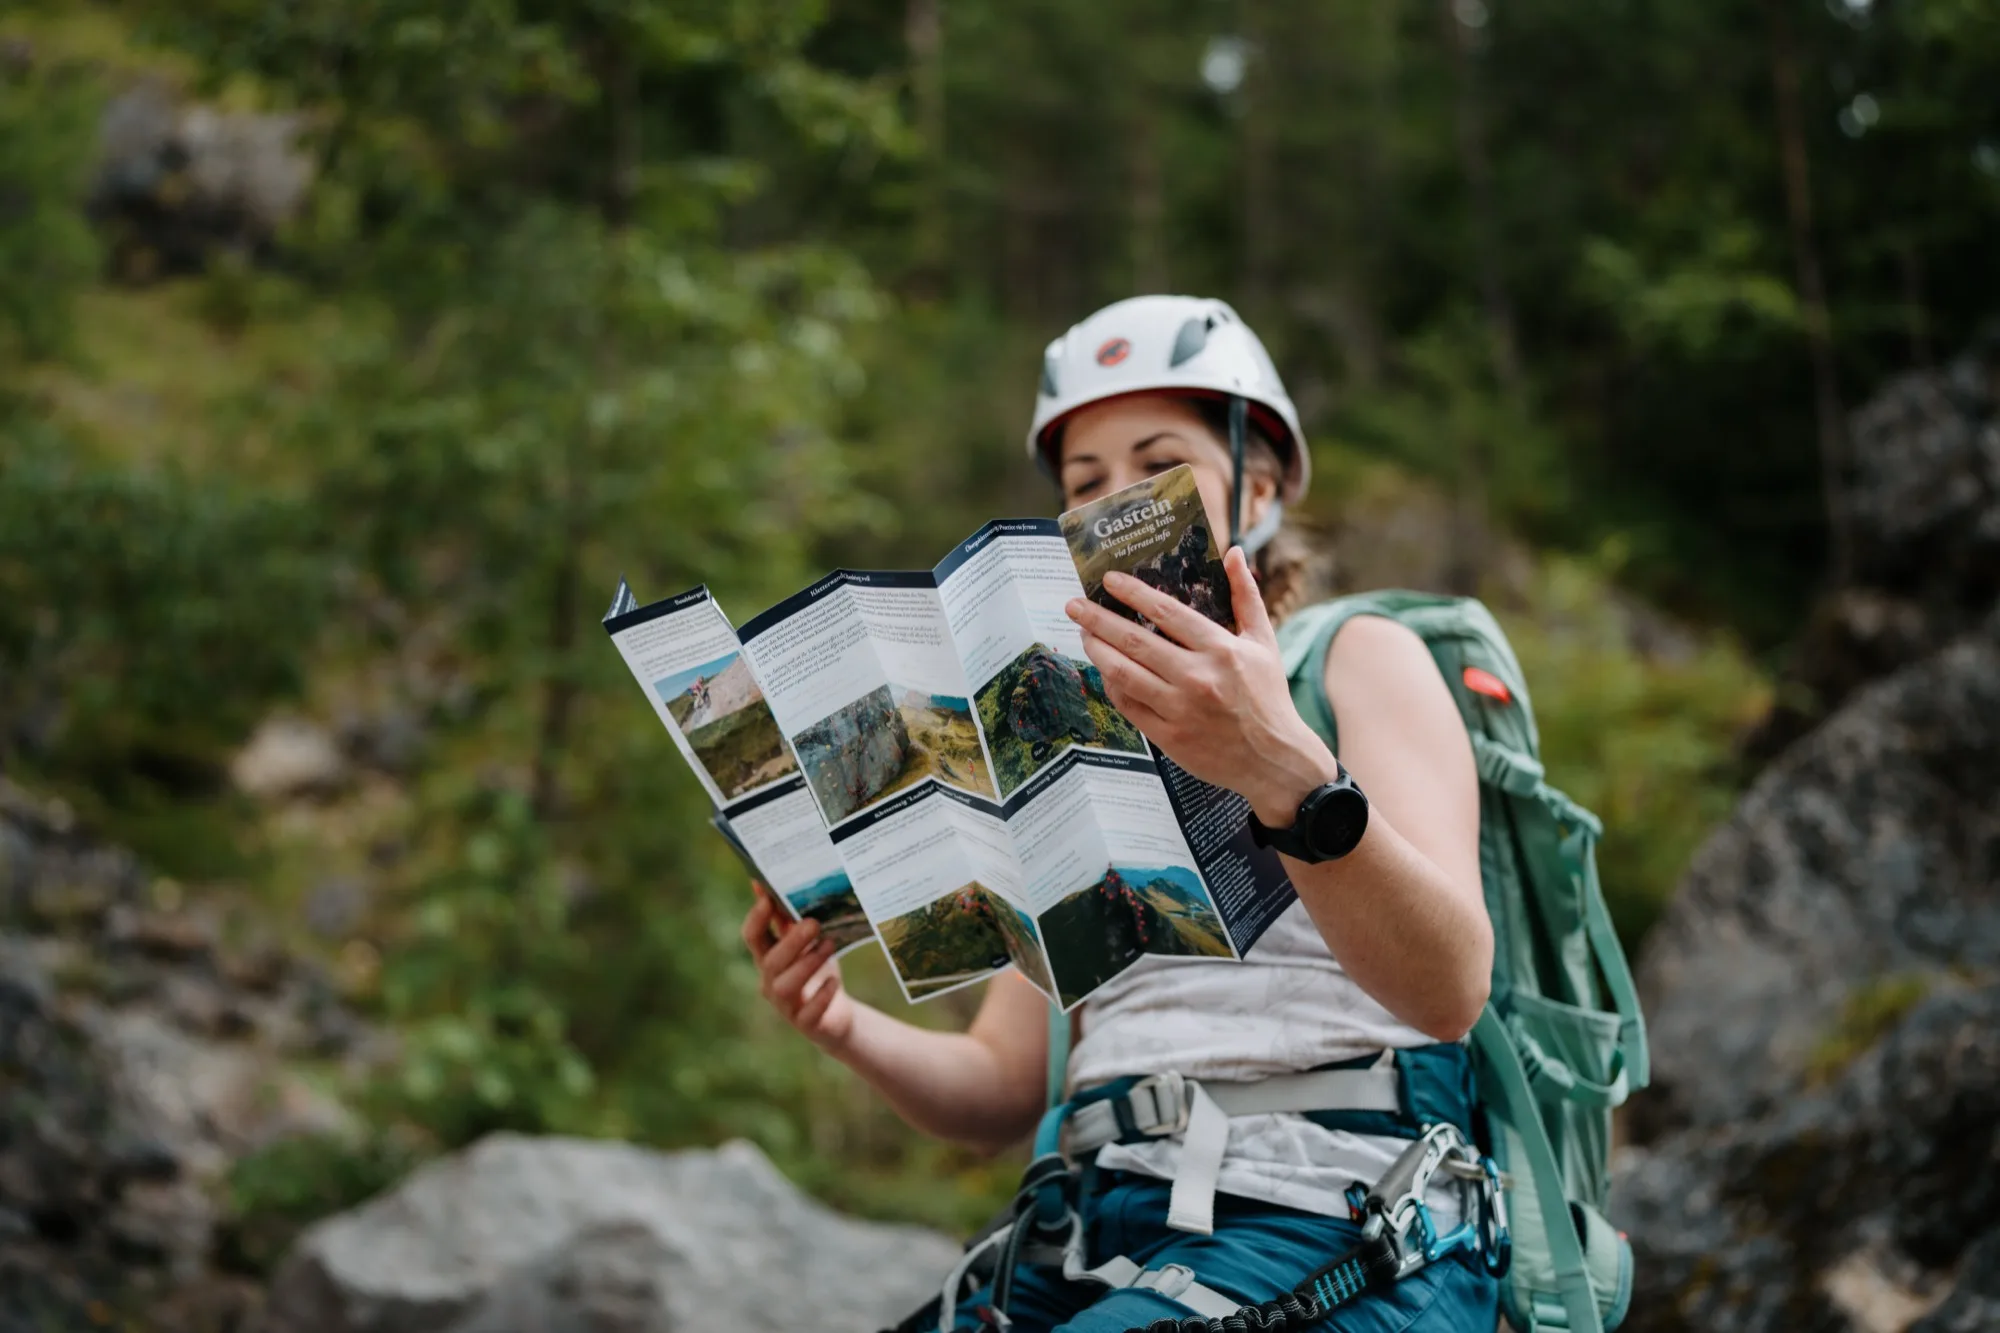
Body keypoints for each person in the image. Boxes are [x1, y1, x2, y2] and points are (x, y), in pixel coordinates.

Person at [740, 295, 1498, 1331]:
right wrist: (840, 1025)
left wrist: (1287, 778)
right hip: (1087, 1229)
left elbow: (1450, 989)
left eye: (1155, 465)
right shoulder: (1058, 734)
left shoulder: (1352, 659)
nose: (1113, 503)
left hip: (1339, 1213)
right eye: (1083, 484)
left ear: (1261, 484)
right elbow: (1002, 1085)